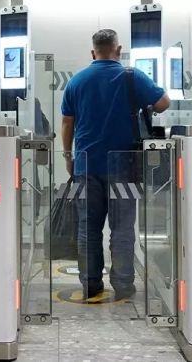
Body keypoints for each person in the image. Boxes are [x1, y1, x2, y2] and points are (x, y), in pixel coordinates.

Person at [61, 28, 170, 300]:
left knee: (88, 227)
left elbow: (67, 123)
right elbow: (163, 103)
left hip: (86, 164)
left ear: (92, 52)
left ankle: (90, 283)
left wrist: (67, 156)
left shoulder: (76, 81)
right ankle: (123, 285)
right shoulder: (131, 76)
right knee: (122, 229)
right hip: (125, 164)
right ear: (118, 50)